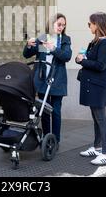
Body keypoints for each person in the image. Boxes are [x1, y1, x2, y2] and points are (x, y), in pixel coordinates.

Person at [23, 13, 72, 148]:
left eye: (63, 25)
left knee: (55, 111)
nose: (61, 27)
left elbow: (67, 56)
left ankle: (55, 140)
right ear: (51, 24)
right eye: (59, 24)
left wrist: (54, 49)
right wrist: (28, 45)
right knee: (44, 110)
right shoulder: (43, 38)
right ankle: (46, 137)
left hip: (57, 80)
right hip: (42, 79)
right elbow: (27, 55)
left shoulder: (65, 40)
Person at [76, 12, 106, 166]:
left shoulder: (105, 42)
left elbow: (100, 65)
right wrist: (81, 59)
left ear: (97, 24)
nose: (89, 26)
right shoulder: (95, 42)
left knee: (102, 119)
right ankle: (97, 147)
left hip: (99, 88)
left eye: (90, 23)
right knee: (96, 119)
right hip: (92, 86)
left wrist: (83, 61)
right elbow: (88, 59)